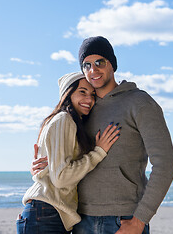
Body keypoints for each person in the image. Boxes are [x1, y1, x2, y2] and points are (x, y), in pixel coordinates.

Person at [31, 36, 173, 234]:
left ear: (112, 64)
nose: (93, 70)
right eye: (87, 65)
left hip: (123, 220)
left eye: (100, 62)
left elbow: (165, 164)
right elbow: (67, 159)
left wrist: (140, 219)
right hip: (80, 220)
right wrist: (49, 166)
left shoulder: (140, 103)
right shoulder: (82, 110)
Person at [17, 71, 121, 233]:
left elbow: (54, 170)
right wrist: (99, 152)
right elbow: (61, 178)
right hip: (46, 215)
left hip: (46, 214)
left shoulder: (66, 121)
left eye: (92, 94)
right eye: (82, 92)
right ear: (67, 93)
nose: (89, 99)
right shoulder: (64, 119)